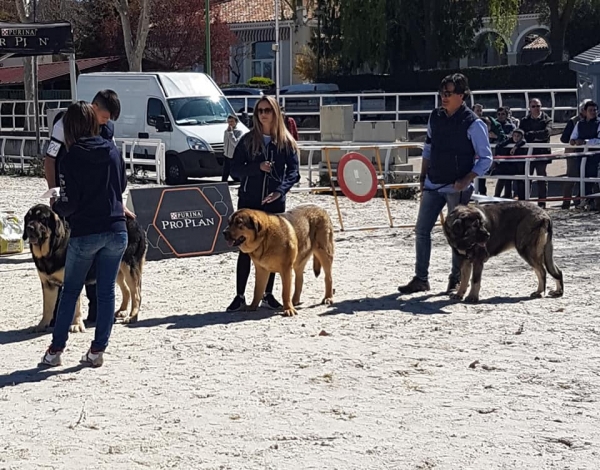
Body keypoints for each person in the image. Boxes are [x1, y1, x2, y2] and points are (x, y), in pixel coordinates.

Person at [40, 102, 128, 368]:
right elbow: (122, 185)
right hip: (116, 227)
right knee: (105, 292)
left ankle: (55, 351)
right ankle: (97, 350)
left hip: (86, 231)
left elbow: (70, 202)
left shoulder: (72, 156)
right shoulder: (111, 149)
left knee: (70, 291)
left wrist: (55, 203)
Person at [397, 73, 493, 295]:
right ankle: (421, 278)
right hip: (433, 183)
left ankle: (456, 279)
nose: (444, 97)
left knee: (457, 235)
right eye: (442, 93)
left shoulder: (473, 123)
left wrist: (467, 179)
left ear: (462, 95)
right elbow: (428, 147)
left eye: (449, 93)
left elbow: (486, 158)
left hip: (456, 188)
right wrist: (422, 176)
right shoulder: (435, 116)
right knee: (422, 230)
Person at [227, 96, 300, 312]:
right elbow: (234, 169)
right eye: (260, 110)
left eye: (268, 110)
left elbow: (294, 172)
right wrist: (256, 168)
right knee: (244, 249)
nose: (263, 114)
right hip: (250, 201)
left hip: (274, 203)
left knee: (273, 247)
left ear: (276, 113)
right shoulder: (248, 140)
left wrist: (280, 191)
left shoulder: (286, 142)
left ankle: (268, 294)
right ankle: (239, 295)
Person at [518, 98, 552, 208]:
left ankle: (542, 204)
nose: (536, 108)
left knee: (542, 178)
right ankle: (524, 204)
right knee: (526, 178)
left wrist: (531, 135)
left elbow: (546, 133)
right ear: (529, 108)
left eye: (538, 106)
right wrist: (536, 136)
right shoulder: (524, 120)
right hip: (528, 153)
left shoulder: (547, 119)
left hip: (542, 153)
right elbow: (521, 135)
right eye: (533, 106)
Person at [569, 100, 600, 210]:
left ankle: (589, 201)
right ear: (585, 112)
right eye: (590, 110)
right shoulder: (579, 124)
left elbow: (599, 140)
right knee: (582, 176)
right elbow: (573, 137)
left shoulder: (599, 123)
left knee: (592, 177)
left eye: (595, 110)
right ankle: (585, 200)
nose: (593, 112)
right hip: (581, 155)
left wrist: (585, 142)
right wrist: (573, 141)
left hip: (595, 156)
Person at [560, 99, 590, 209]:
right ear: (583, 110)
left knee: (588, 176)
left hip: (588, 152)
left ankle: (584, 201)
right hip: (573, 153)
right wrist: (574, 139)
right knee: (572, 177)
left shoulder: (594, 121)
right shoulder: (573, 121)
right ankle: (566, 202)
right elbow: (564, 138)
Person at [493, 129, 527, 199]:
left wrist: (515, 147)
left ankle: (521, 198)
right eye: (514, 136)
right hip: (509, 166)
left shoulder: (523, 142)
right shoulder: (509, 141)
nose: (516, 138)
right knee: (503, 179)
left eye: (518, 136)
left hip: (519, 167)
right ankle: (497, 197)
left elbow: (523, 141)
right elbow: (499, 145)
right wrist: (498, 155)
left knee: (520, 181)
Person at [222, 114, 245, 183]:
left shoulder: (238, 132)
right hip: (227, 155)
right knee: (225, 172)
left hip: (234, 155)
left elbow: (236, 143)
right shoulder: (226, 131)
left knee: (235, 172)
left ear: (236, 122)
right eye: (229, 121)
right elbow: (225, 142)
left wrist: (231, 133)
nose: (230, 123)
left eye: (232, 121)